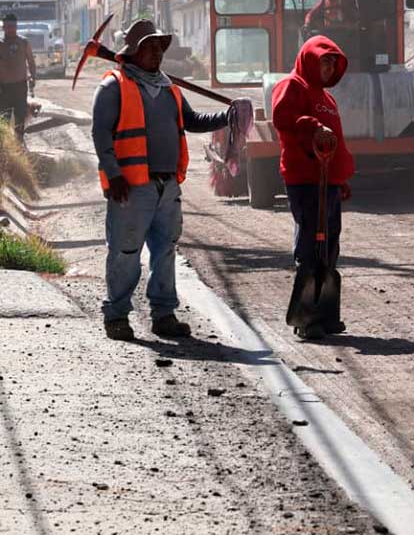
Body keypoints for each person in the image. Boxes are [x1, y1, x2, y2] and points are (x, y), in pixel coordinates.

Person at [93, 20, 247, 341]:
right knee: (125, 252)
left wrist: (226, 116)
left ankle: (163, 315)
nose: (156, 52)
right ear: (132, 51)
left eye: (159, 47)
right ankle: (117, 316)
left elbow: (191, 121)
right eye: (149, 46)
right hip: (131, 188)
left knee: (165, 252)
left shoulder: (168, 87)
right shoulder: (114, 86)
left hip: (167, 188)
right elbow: (101, 135)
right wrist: (114, 174)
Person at [271, 35, 355, 340]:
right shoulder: (293, 86)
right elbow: (282, 118)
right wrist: (310, 125)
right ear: (310, 59)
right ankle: (306, 319)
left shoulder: (327, 98)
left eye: (334, 62)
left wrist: (340, 178)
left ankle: (325, 313)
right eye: (325, 60)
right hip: (305, 181)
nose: (329, 67)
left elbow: (336, 142)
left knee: (330, 244)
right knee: (310, 243)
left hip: (327, 182)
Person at [0, 12, 36, 143]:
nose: (10, 29)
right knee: (3, 119)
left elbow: (31, 62)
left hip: (20, 87)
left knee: (20, 118)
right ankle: (5, 148)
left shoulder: (24, 42)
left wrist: (33, 77)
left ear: (16, 27)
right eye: (7, 26)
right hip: (3, 89)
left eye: (13, 26)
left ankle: (19, 144)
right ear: (3, 27)